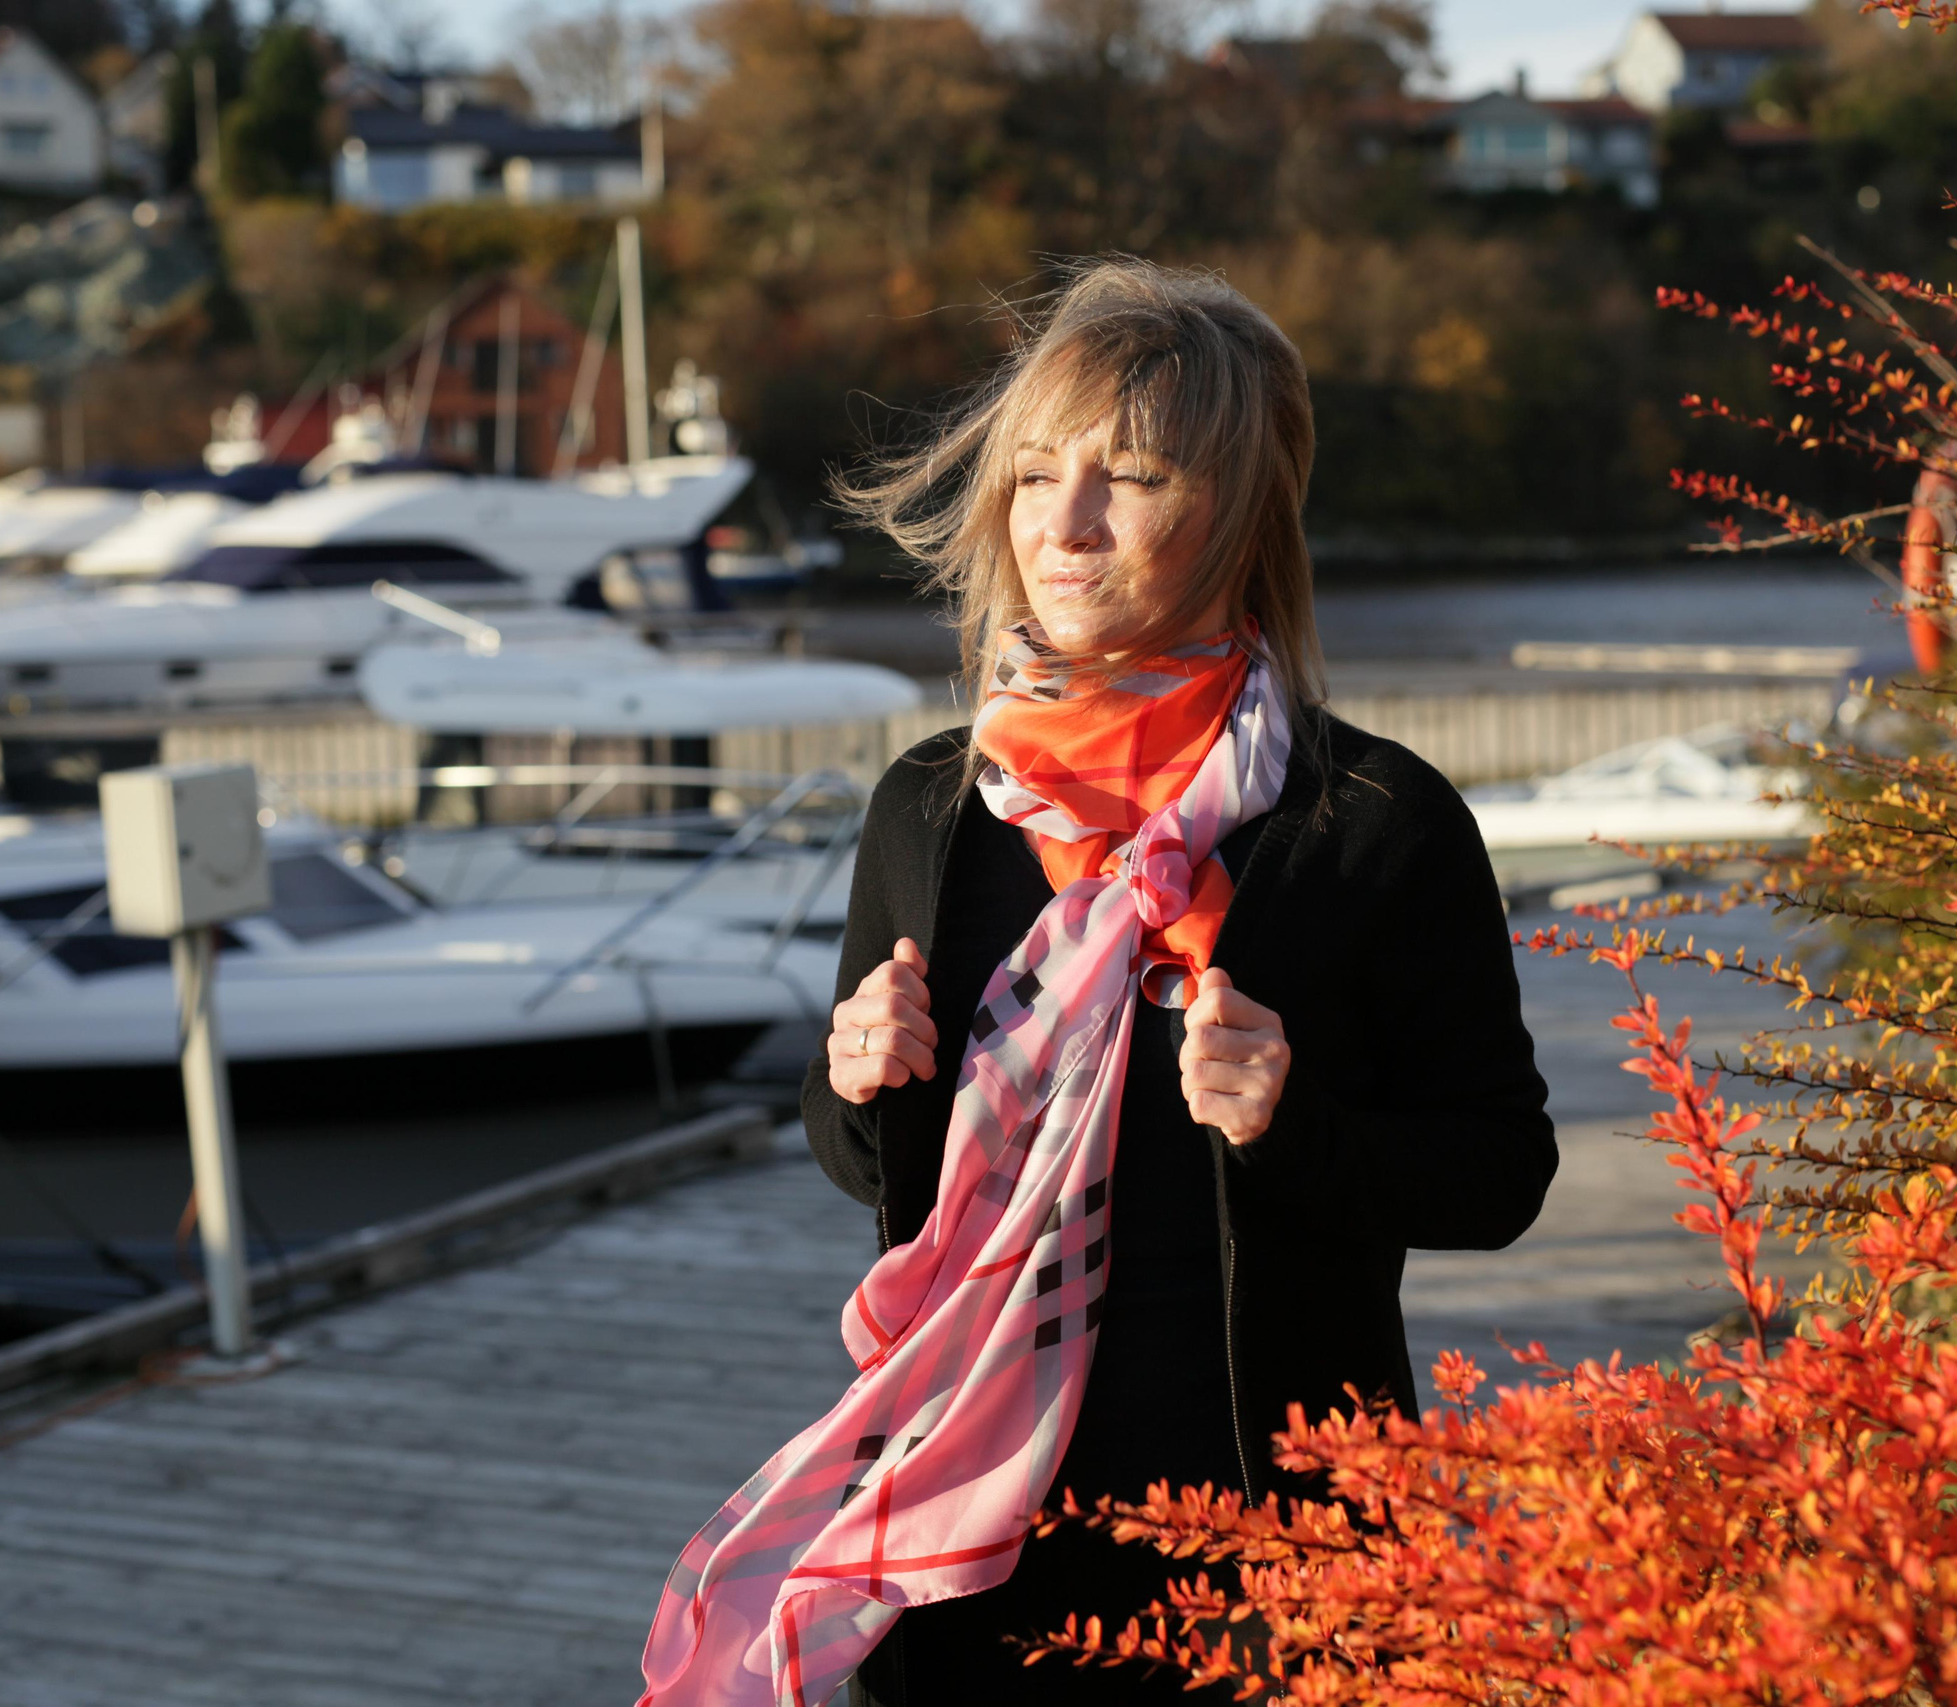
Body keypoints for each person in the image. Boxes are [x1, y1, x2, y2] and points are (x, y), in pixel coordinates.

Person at [637, 259, 1557, 1707]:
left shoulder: (1371, 822)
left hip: (1270, 1538)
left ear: (1238, 508)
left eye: (1125, 478)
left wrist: (1293, 1122)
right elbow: (866, 1159)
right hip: (962, 1520)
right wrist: (859, 1078)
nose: (1063, 529)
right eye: (1033, 478)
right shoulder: (937, 809)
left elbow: (1501, 1173)